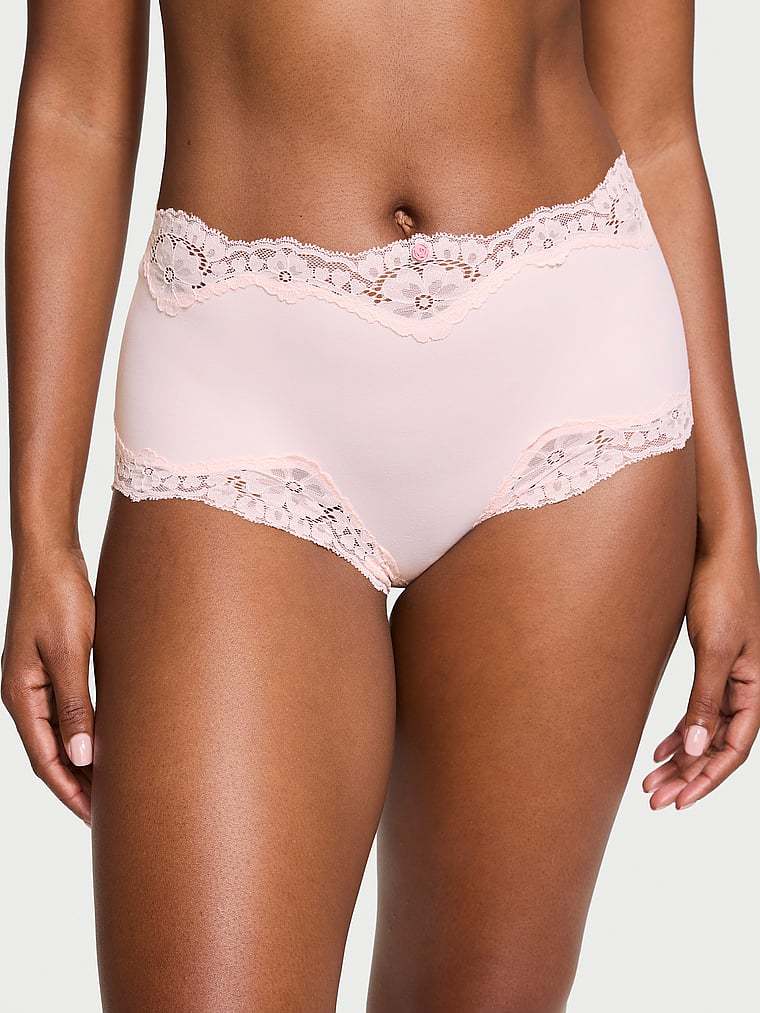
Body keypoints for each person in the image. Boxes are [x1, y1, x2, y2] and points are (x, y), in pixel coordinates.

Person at [3, 3, 759, 1011]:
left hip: (572, 383)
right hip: (239, 394)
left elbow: (656, 122)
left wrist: (730, 522)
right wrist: (41, 531)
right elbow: (77, 103)